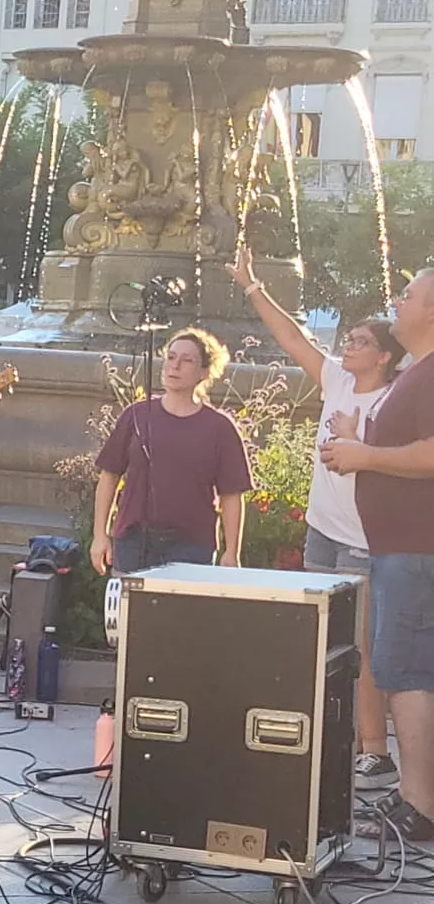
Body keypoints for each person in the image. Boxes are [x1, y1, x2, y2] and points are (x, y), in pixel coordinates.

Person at [233, 245, 410, 789]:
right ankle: (328, 738)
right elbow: (292, 338)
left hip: (362, 539)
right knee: (319, 640)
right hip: (323, 532)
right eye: (348, 339)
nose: (347, 346)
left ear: (383, 356)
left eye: (359, 342)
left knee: (360, 648)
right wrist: (251, 285)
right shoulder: (335, 379)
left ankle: (376, 750)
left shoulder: (396, 399)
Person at [321, 268, 434, 837]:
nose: (397, 299)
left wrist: (363, 458)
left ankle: (419, 807)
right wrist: (358, 442)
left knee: (408, 673)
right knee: (405, 670)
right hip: (404, 549)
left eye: (409, 294)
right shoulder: (418, 372)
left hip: (415, 551)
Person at [90, 328, 252, 576]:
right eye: (171, 357)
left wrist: (232, 553)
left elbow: (231, 495)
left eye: (187, 360)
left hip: (191, 545)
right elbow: (109, 475)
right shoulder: (136, 415)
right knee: (130, 614)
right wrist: (99, 534)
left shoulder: (219, 428)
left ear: (204, 372)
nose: (175, 366)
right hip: (134, 541)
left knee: (179, 615)